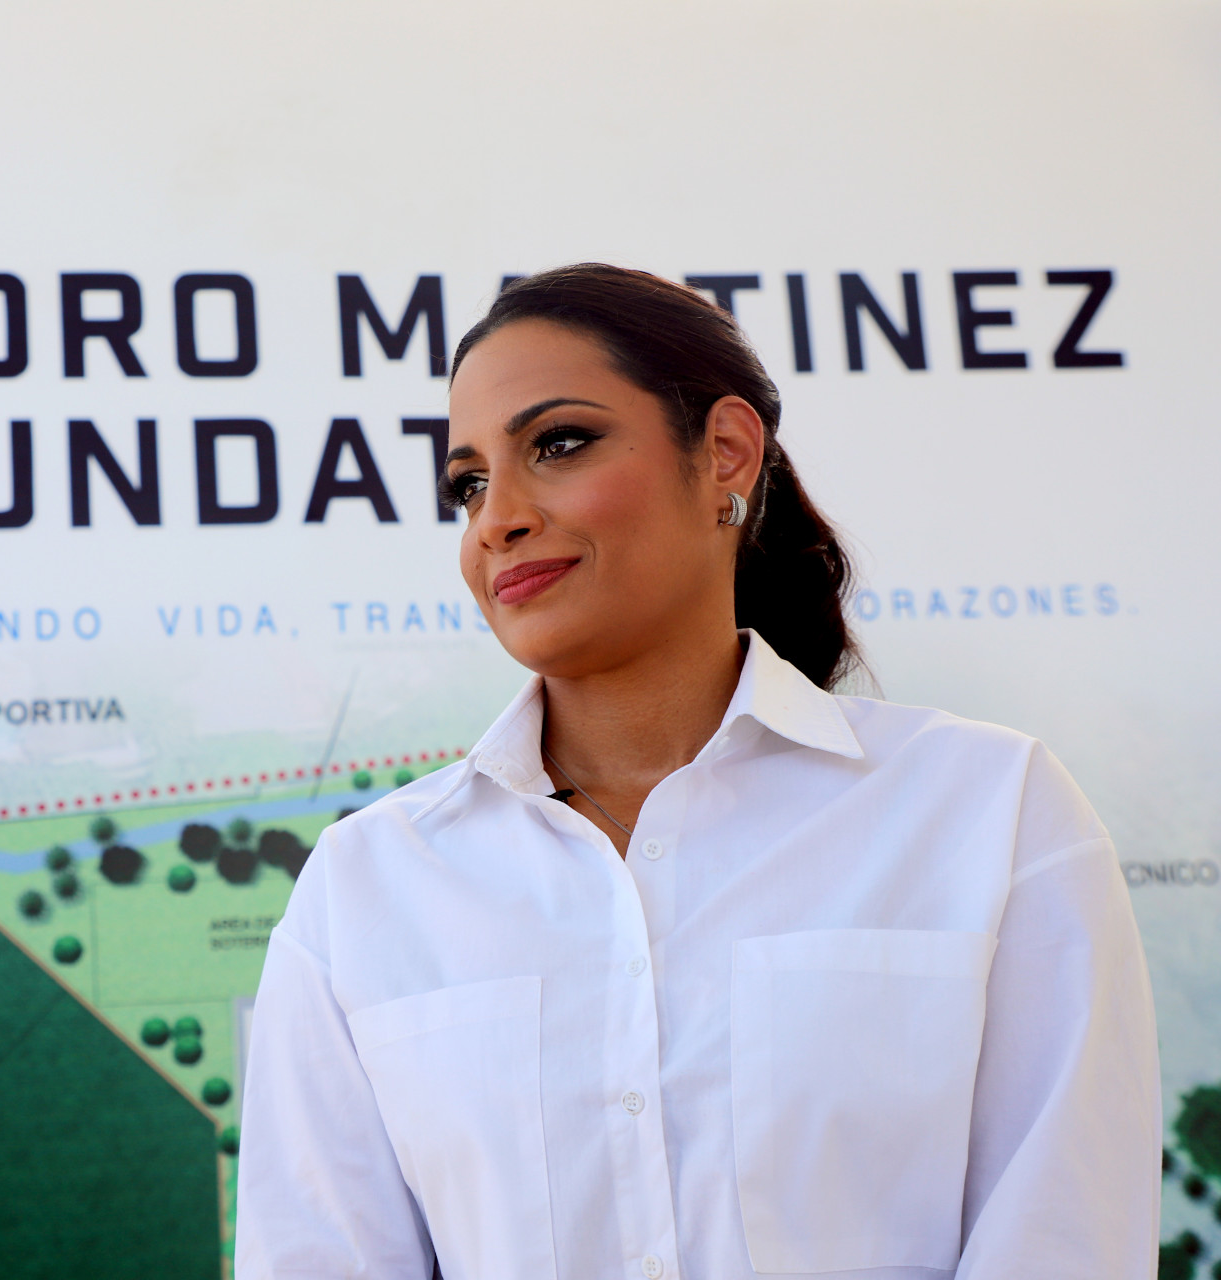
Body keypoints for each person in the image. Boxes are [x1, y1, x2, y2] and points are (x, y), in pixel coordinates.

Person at [234, 265, 1159, 1279]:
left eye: (558, 443)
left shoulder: (991, 813)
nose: (496, 518)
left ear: (725, 450)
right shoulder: (365, 889)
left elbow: (1065, 1239)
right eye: (469, 484)